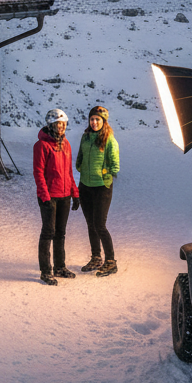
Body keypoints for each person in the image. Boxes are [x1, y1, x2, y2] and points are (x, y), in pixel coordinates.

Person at [32, 108, 80, 286]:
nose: (61, 127)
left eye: (63, 124)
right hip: (49, 196)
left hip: (65, 195)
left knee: (60, 233)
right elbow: (38, 173)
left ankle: (60, 267)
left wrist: (75, 193)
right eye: (58, 123)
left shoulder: (66, 144)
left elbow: (68, 171)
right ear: (51, 124)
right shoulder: (42, 145)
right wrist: (45, 197)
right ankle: (46, 271)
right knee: (48, 232)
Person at [76, 105, 120, 276]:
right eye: (92, 119)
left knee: (100, 225)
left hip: (102, 188)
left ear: (104, 121)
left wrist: (105, 175)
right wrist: (79, 166)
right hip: (85, 186)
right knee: (90, 224)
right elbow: (80, 156)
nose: (94, 122)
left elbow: (115, 166)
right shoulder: (85, 137)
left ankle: (111, 261)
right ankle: (96, 257)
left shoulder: (109, 140)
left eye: (98, 120)